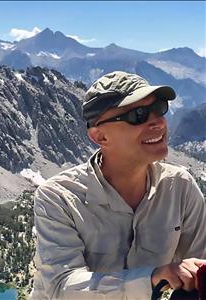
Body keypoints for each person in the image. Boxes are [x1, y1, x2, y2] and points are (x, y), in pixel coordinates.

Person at [30, 71, 206, 300]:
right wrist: (152, 278)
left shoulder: (180, 186)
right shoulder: (57, 197)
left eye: (159, 108)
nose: (158, 121)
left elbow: (199, 269)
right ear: (100, 137)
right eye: (139, 114)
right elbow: (62, 287)